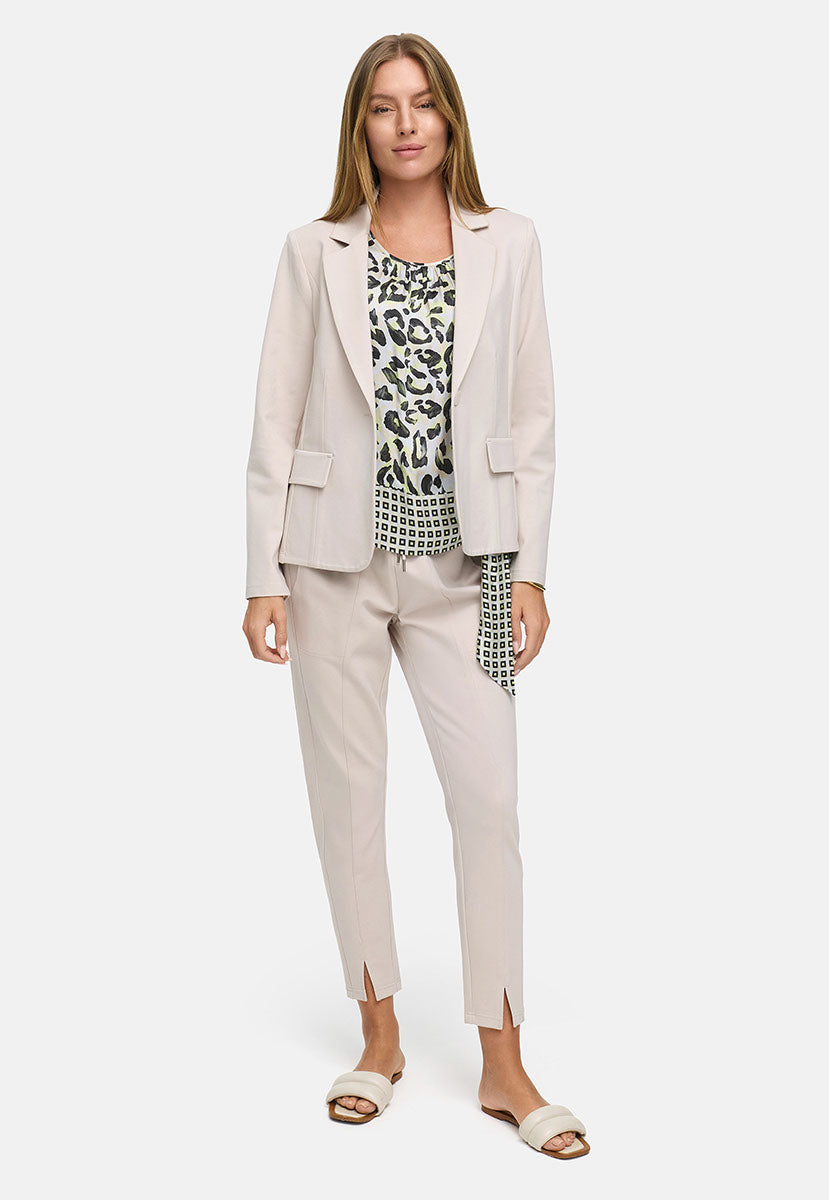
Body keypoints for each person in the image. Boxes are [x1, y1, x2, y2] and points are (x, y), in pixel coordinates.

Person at [242, 32, 590, 1160]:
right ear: (359, 125)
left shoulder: (509, 242)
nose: (405, 124)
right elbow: (275, 419)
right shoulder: (314, 251)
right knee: (347, 803)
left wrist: (529, 567)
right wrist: (261, 576)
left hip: (469, 569)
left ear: (449, 118)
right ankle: (379, 1039)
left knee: (488, 803)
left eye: (423, 102)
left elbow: (532, 418)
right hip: (329, 563)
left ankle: (502, 1061)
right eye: (384, 106)